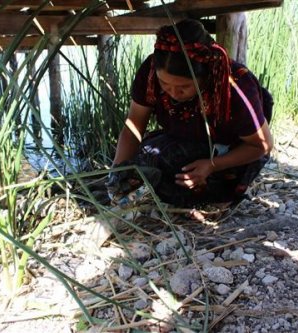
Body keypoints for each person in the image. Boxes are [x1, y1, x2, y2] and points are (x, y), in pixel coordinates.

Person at [107, 18, 273, 208]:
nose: (173, 92)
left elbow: (262, 146)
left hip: (231, 150)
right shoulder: (151, 71)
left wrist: (212, 165)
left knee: (183, 183)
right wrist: (117, 173)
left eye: (183, 87)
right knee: (146, 160)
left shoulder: (233, 85)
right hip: (187, 138)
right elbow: (133, 126)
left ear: (205, 76)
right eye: (165, 84)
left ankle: (220, 195)